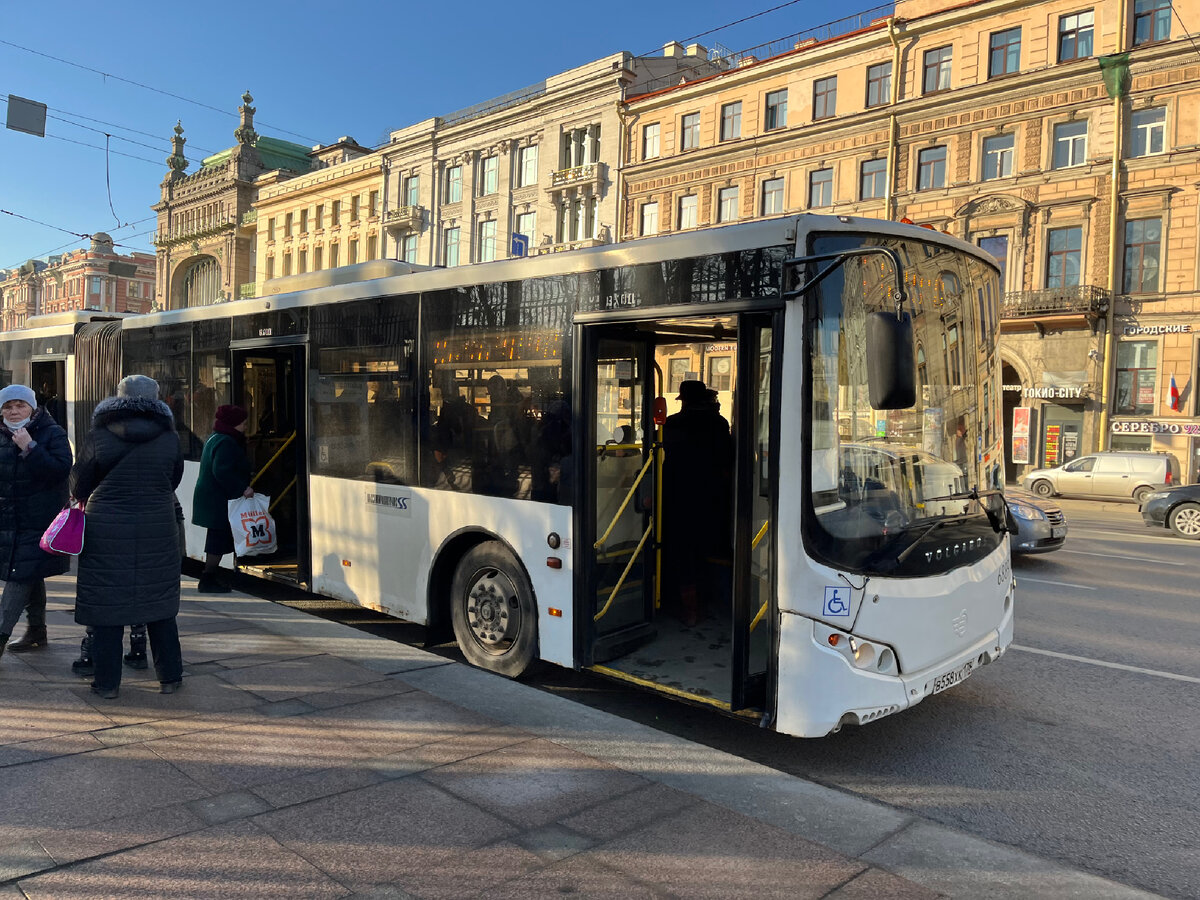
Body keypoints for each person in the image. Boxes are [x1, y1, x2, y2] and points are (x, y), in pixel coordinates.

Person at [70, 375, 184, 699]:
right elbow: (173, 480)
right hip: (157, 528)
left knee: (107, 609)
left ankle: (106, 685)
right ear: (156, 400)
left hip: (106, 528)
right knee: (160, 607)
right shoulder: (170, 437)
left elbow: (78, 484)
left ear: (118, 399)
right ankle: (170, 678)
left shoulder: (98, 435)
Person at [0, 384, 72, 662]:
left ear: (32, 407)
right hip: (9, 520)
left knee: (20, 575)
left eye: (20, 405)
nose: (14, 411)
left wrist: (30, 448)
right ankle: (37, 630)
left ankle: (2, 638)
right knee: (29, 572)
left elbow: (60, 470)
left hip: (38, 520)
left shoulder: (51, 432)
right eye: (8, 406)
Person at [661, 380, 734, 627]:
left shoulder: (672, 424)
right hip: (712, 499)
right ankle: (705, 604)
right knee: (706, 551)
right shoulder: (720, 424)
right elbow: (726, 461)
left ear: (684, 401)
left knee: (682, 554)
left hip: (677, 499)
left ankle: (689, 610)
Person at [192, 405, 253, 593]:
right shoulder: (226, 442)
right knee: (217, 541)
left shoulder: (215, 438)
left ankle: (210, 577)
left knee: (216, 539)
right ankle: (207, 579)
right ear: (233, 424)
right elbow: (222, 471)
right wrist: (242, 488)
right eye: (242, 423)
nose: (245, 426)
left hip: (213, 499)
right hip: (217, 501)